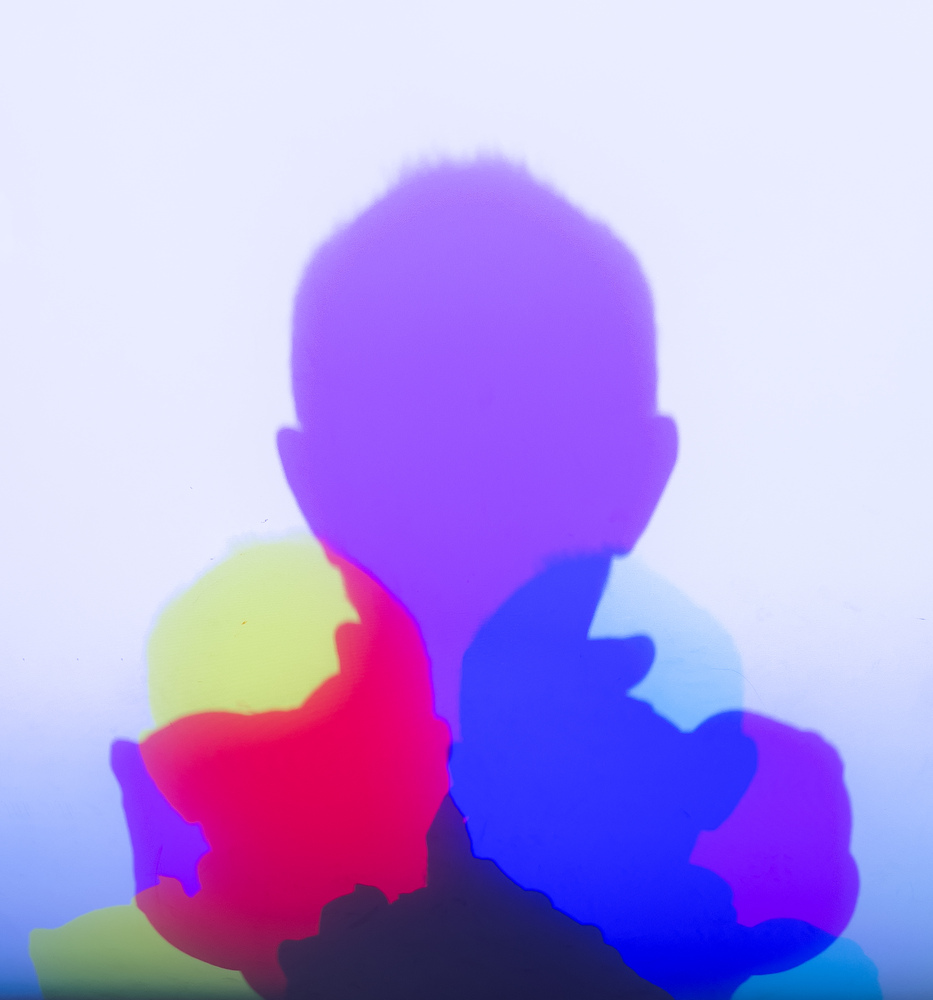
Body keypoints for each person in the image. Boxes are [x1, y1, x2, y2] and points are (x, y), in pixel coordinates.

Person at [278, 160, 858, 999]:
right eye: (421, 426)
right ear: (644, 478)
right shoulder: (734, 836)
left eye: (530, 430)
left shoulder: (223, 855)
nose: (471, 481)